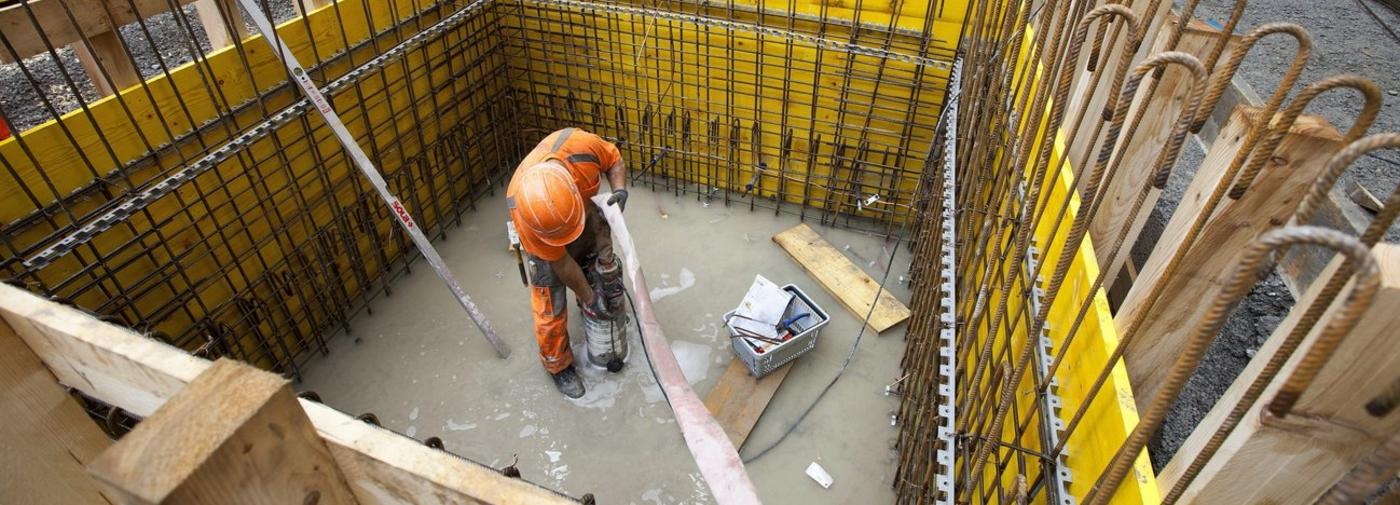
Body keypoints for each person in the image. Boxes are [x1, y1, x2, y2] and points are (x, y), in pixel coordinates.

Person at [506, 127, 629, 398]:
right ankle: (557, 365)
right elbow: (561, 264)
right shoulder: (526, 211)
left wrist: (619, 190)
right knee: (550, 300)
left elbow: (614, 160)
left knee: (596, 263)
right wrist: (588, 297)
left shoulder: (580, 147)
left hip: (581, 212)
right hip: (544, 237)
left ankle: (603, 313)